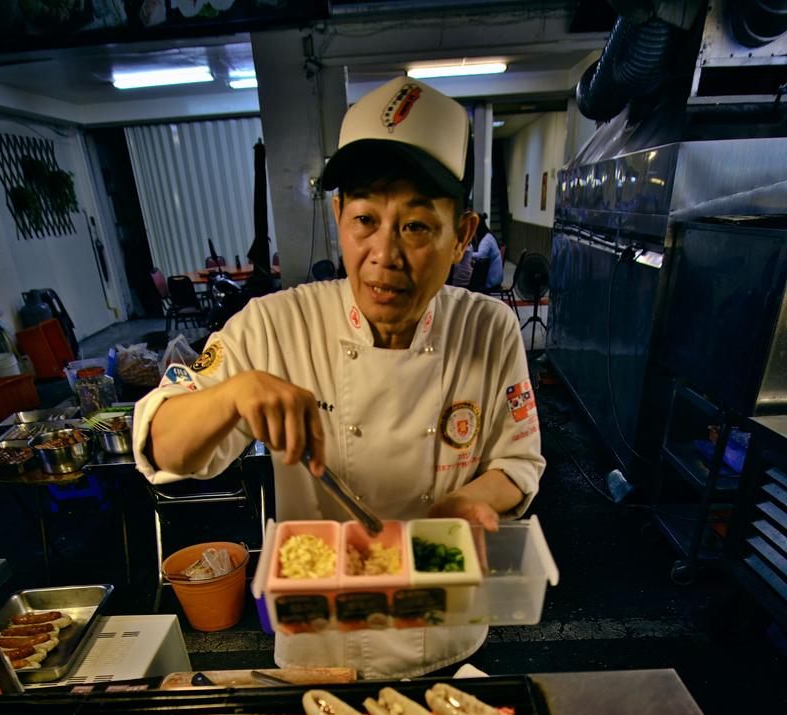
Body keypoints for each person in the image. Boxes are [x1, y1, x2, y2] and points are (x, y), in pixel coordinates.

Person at [133, 76, 544, 680]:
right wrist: (232, 396)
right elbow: (162, 445)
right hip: (320, 649)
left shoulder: (489, 328)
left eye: (416, 226)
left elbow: (519, 463)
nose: (385, 254)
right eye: (364, 220)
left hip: (442, 632)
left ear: (462, 234)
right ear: (337, 217)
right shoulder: (275, 324)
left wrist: (469, 502)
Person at [472, 213, 504, 290]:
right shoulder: (488, 236)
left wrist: (466, 254)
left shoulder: (487, 240)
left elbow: (480, 255)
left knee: (468, 284)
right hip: (495, 277)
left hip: (492, 280)